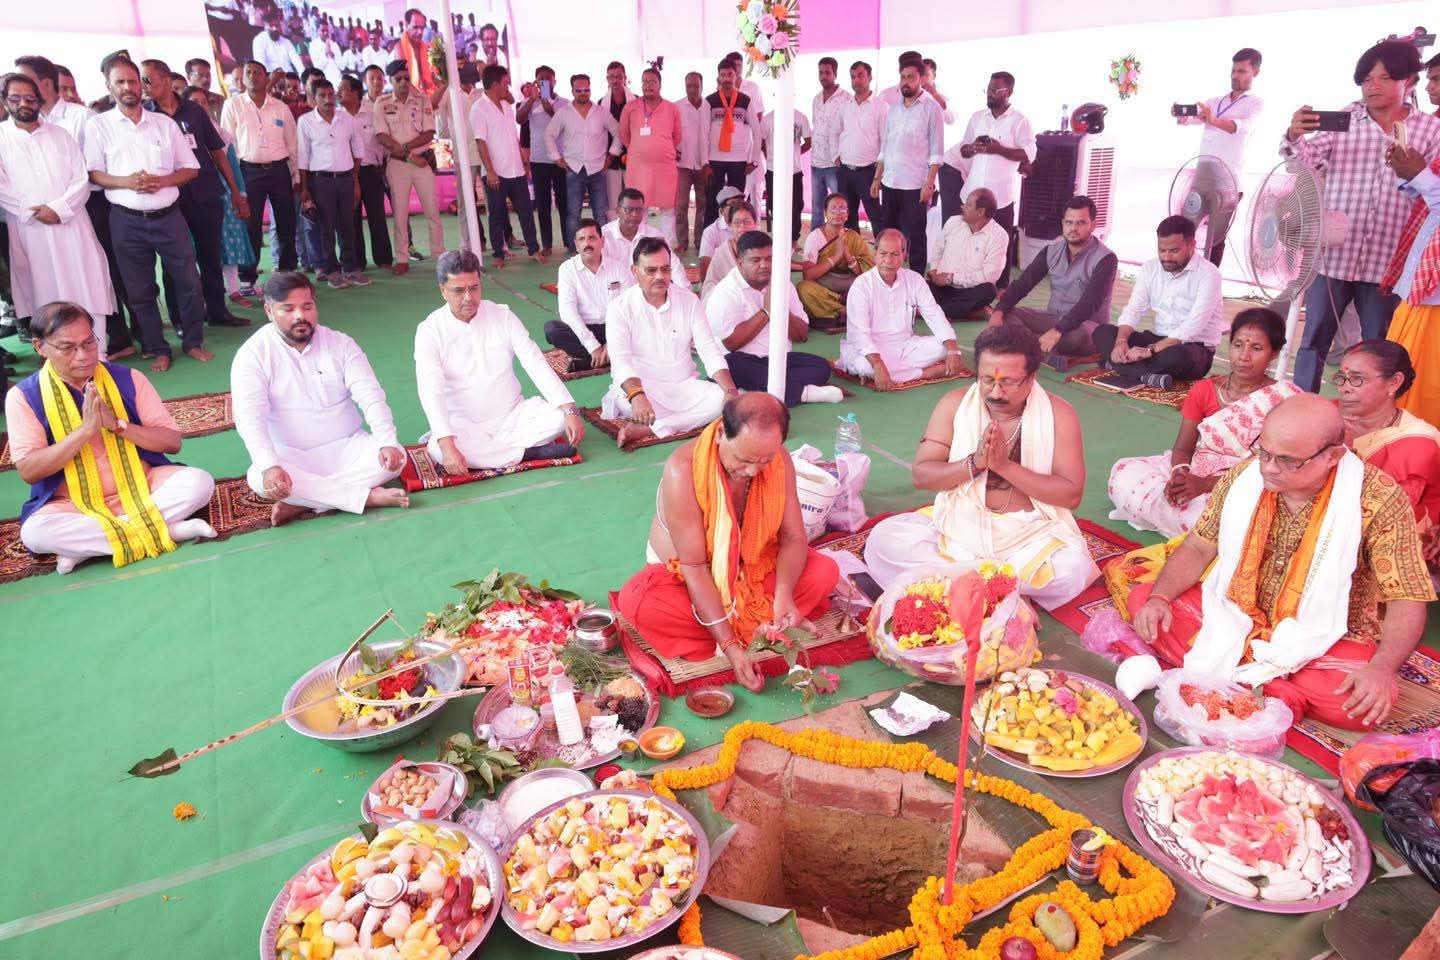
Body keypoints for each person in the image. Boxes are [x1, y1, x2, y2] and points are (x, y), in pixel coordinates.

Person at [1129, 394, 1434, 729]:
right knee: (1145, 601)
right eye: (1265, 452)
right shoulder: (1245, 476)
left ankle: (1243, 678)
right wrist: (1160, 598)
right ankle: (1268, 687)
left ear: (1332, 456)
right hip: (1235, 614)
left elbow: (1407, 595)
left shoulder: (1378, 499)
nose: (1268, 467)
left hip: (1324, 638)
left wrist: (1382, 668)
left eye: (1289, 460)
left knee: (1357, 703)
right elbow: (1199, 547)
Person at [615, 392, 841, 690]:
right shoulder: (683, 468)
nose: (752, 472)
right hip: (687, 571)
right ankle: (749, 625)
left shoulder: (779, 460)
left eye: (764, 461)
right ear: (721, 433)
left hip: (752, 564)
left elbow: (793, 536)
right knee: (640, 600)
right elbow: (694, 566)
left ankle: (761, 615)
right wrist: (731, 646)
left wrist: (784, 596)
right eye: (744, 460)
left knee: (824, 571)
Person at [865, 323, 1099, 608]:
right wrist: (973, 465)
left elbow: (1070, 495)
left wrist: (1004, 466)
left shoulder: (1059, 414)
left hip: (1028, 536)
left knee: (1071, 569)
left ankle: (966, 586)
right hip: (959, 528)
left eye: (1008, 382)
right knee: (884, 539)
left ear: (1031, 377)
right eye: (987, 379)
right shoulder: (954, 404)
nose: (996, 392)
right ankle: (1000, 590)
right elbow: (922, 475)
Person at [7, 302, 216, 573]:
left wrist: (118, 426)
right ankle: (169, 530)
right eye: (68, 348)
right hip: (72, 504)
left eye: (89, 343)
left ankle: (89, 547)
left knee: (199, 483)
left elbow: (171, 442)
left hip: (142, 485)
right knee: (36, 533)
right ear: (40, 347)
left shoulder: (129, 378)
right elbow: (30, 470)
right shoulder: (23, 397)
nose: (83, 355)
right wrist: (85, 431)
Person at [1282, 40, 1440, 393]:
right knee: (1313, 340)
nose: (1374, 86)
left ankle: (1370, 412)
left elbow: (1434, 196)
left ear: (1408, 82)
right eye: (1367, 79)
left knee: (1379, 348)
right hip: (1335, 254)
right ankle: (1303, 402)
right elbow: (1302, 162)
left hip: (1388, 262)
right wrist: (1295, 134)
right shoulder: (1347, 118)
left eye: (1385, 78)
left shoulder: (1431, 131)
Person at [232, 272, 407, 526]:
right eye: (288, 309)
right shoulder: (252, 355)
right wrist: (270, 465)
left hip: (348, 446)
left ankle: (307, 502)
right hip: (291, 458)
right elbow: (249, 419)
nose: (300, 316)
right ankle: (365, 498)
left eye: (307, 306)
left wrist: (386, 441)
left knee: (395, 459)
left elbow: (371, 396)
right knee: (259, 478)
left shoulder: (341, 343)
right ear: (269, 311)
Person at [1109, 308, 1301, 538]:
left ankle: (1175, 521)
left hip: (1247, 483)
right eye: (1238, 345)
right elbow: (1183, 449)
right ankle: (1194, 529)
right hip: (1196, 472)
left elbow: (1276, 468)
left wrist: (1206, 485)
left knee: (1233, 515)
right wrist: (1180, 477)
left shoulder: (1284, 400)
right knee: (1123, 473)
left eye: (1256, 348)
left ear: (1274, 353)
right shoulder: (1205, 389)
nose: (1243, 356)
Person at [85, 55, 211, 372]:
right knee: (140, 291)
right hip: (125, 221)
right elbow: (93, 173)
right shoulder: (98, 126)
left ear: (141, 84)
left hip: (169, 217)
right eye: (120, 82)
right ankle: (158, 348)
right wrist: (126, 182)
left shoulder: (165, 124)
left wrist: (163, 181)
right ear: (109, 86)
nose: (128, 87)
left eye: (133, 80)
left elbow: (191, 168)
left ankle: (193, 342)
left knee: (189, 282)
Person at [415, 251, 584, 473]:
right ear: (443, 291)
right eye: (459, 290)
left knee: (558, 419)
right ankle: (527, 453)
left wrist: (569, 409)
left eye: (473, 288)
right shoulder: (429, 331)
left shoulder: (502, 315)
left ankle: (494, 454)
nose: (468, 297)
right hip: (465, 425)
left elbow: (535, 362)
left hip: (513, 416)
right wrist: (447, 444)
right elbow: (431, 391)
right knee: (438, 448)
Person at [0, 73, 115, 343]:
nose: (23, 104)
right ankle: (57, 356)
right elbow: (2, 186)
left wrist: (60, 209)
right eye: (15, 99)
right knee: (43, 290)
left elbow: (81, 179)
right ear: (5, 101)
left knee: (87, 284)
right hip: (30, 229)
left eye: (29, 98)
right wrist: (35, 210)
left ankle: (97, 351)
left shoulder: (61, 134)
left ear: (39, 100)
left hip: (72, 224)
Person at [141, 59, 250, 330]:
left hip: (205, 195)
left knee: (210, 256)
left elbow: (217, 152)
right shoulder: (145, 115)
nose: (142, 86)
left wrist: (236, 192)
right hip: (169, 200)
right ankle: (180, 318)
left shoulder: (194, 111)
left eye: (147, 79)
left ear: (166, 80)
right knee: (174, 262)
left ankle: (217, 311)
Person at [601, 237, 738, 450]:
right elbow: (620, 362)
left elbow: (709, 351)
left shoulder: (689, 301)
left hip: (683, 386)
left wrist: (730, 391)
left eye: (665, 270)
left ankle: (653, 427)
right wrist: (637, 397)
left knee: (721, 400)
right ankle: (663, 419)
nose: (660, 277)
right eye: (651, 270)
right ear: (634, 271)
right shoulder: (619, 307)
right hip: (641, 389)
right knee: (627, 400)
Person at [703, 229, 841, 406]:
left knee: (820, 367)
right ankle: (804, 393)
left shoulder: (783, 284)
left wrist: (780, 308)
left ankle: (756, 389)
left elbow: (801, 335)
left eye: (769, 259)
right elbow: (731, 344)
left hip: (778, 360)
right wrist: (766, 312)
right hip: (742, 361)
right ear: (739, 263)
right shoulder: (725, 292)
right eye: (755, 260)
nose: (764, 265)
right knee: (731, 365)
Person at [1337, 341, 1440, 566]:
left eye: (1357, 379)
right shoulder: (1326, 414)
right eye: (1341, 378)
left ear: (1394, 382)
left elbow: (1387, 520)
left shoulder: (1417, 442)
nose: (1345, 387)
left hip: (1387, 553)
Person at [1092, 215, 1224, 390]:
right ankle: (1147, 375)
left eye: (1174, 251)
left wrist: (1149, 351)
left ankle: (1118, 367)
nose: (1166, 257)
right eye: (1162, 250)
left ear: (1192, 245)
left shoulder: (1209, 274)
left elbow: (1193, 326)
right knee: (1102, 332)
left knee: (1176, 358)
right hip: (1157, 341)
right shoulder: (1150, 268)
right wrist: (1121, 342)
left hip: (1193, 348)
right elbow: (1134, 309)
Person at [989, 196, 1117, 362]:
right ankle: (1040, 347)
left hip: (1086, 326)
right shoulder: (1051, 250)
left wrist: (1058, 331)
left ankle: (1025, 345)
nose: (1073, 228)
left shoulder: (1106, 258)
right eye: (1069, 222)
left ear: (1093, 225)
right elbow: (1023, 284)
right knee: (1007, 316)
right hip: (1053, 317)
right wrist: (999, 310)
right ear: (1062, 223)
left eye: (1081, 223)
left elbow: (1090, 304)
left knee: (1077, 337)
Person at [940, 71, 1034, 288]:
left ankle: (999, 290)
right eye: (988, 89)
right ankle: (960, 283)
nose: (990, 93)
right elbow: (964, 150)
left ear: (1008, 92)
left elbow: (1028, 154)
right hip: (971, 194)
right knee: (962, 239)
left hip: (1000, 197)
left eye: (995, 90)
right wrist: (974, 148)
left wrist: (998, 149)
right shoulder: (977, 117)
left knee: (1001, 246)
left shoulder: (1019, 121)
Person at [838, 229, 965, 388]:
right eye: (883, 254)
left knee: (944, 347)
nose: (888, 260)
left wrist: (954, 351)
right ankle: (923, 373)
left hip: (905, 346)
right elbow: (859, 334)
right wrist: (877, 364)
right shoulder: (861, 285)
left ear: (904, 254)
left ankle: (897, 372)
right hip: (869, 348)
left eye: (895, 254)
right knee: (864, 366)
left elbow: (934, 314)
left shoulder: (914, 279)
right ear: (875, 253)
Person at [1176, 48, 1264, 267]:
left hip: (1229, 182)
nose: (1236, 75)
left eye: (1242, 71)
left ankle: (1210, 283)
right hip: (1202, 177)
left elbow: (1241, 128)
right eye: (1234, 71)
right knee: (1184, 228)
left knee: (1216, 240)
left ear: (1255, 72)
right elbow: (1193, 119)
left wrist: (1212, 119)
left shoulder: (1255, 104)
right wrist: (1182, 115)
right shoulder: (1215, 101)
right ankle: (1178, 275)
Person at [222, 59, 299, 296]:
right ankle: (248, 278)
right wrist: (232, 181)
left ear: (267, 78)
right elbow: (227, 145)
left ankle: (286, 272)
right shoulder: (233, 105)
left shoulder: (280, 108)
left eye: (258, 72)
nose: (253, 76)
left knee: (286, 222)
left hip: (278, 170)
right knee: (250, 225)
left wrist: (296, 176)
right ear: (243, 78)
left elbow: (293, 144)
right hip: (248, 171)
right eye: (248, 73)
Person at [1383, 126, 1440, 427]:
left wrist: (1420, 174)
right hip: (1420, 292)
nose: (1431, 86)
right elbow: (1424, 196)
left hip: (1434, 303)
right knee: (1400, 389)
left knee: (1424, 399)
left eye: (1436, 78)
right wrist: (1407, 169)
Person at [296, 78, 370, 290]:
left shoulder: (347, 119)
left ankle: (351, 268)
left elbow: (358, 150)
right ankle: (332, 271)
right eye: (322, 96)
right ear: (313, 98)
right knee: (325, 228)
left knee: (348, 226)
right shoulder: (306, 121)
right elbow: (303, 156)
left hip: (346, 179)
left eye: (331, 94)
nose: (328, 99)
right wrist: (304, 187)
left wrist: (355, 180)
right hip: (321, 181)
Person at [873, 57, 942, 273]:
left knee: (916, 236)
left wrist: (929, 184)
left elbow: (936, 152)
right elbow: (885, 147)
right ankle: (888, 274)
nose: (905, 82)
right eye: (902, 77)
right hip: (890, 182)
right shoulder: (893, 109)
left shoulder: (931, 109)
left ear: (921, 79)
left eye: (910, 77)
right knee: (889, 234)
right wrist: (877, 178)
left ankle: (917, 280)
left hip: (915, 185)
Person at [471, 64, 543, 268]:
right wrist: (491, 171)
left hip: (516, 169)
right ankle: (498, 255)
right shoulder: (479, 108)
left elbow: (513, 136)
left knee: (526, 212)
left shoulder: (506, 106)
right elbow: (480, 142)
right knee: (497, 213)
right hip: (496, 172)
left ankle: (533, 249)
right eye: (505, 83)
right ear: (495, 84)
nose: (508, 86)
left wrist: (522, 157)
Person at [375, 59, 442, 275]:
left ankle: (439, 255)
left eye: (406, 78)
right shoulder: (382, 103)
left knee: (432, 211)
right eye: (399, 79)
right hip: (399, 165)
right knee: (401, 214)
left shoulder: (422, 100)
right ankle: (402, 258)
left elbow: (429, 132)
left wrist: (405, 148)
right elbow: (383, 137)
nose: (404, 82)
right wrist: (411, 157)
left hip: (422, 162)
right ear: (390, 81)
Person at [545, 73, 620, 252]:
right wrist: (557, 158)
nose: (583, 93)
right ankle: (574, 251)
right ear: (572, 90)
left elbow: (618, 133)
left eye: (586, 90)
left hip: (597, 169)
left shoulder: (601, 112)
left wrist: (611, 156)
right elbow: (548, 134)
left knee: (600, 214)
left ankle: (602, 250)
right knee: (573, 214)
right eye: (579, 90)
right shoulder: (564, 113)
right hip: (573, 170)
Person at [546, 218, 632, 371]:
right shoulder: (567, 270)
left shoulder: (619, 268)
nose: (587, 244)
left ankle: (588, 362)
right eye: (581, 239)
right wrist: (593, 347)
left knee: (641, 328)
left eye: (592, 238)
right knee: (552, 330)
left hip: (615, 328)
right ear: (576, 244)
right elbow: (568, 313)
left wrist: (611, 342)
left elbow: (630, 310)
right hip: (586, 330)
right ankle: (610, 358)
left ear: (602, 241)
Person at [927, 187, 1007, 319]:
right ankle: (971, 313)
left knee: (989, 290)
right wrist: (934, 270)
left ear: (980, 212)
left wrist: (952, 278)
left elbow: (989, 276)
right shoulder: (953, 222)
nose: (962, 207)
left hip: (970, 292)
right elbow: (938, 249)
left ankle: (934, 312)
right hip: (941, 287)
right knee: (918, 285)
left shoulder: (999, 236)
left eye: (968, 205)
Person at [797, 193, 874, 326]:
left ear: (847, 214)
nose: (838, 213)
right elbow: (808, 275)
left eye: (842, 209)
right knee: (804, 289)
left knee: (872, 286)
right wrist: (835, 257)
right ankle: (845, 311)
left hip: (849, 286)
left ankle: (837, 313)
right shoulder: (815, 237)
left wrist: (848, 256)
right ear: (825, 213)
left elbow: (867, 272)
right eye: (833, 209)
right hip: (824, 287)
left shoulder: (853, 237)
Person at [342, 71, 393, 272]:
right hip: (347, 174)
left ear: (355, 92)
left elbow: (384, 139)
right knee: (351, 219)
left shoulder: (373, 113)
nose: (339, 93)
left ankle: (384, 259)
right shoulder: (337, 117)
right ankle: (357, 263)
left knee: (377, 217)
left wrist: (384, 164)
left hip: (372, 171)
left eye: (343, 89)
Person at [700, 60, 761, 227]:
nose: (726, 78)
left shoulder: (745, 100)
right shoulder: (709, 101)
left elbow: (757, 132)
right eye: (723, 75)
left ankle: (738, 239)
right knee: (712, 204)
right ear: (718, 77)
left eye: (730, 75)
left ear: (736, 76)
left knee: (737, 204)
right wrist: (705, 163)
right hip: (714, 160)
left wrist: (754, 160)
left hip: (739, 161)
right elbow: (703, 134)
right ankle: (709, 244)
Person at [517, 65, 568, 257]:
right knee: (543, 204)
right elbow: (519, 119)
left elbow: (568, 127)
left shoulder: (563, 103)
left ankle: (568, 241)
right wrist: (532, 99)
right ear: (535, 81)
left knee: (564, 203)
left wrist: (551, 111)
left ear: (555, 81)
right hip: (538, 160)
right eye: (541, 79)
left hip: (560, 160)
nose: (544, 82)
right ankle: (546, 244)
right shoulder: (529, 103)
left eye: (548, 78)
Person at [835, 60, 887, 234]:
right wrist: (837, 155)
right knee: (847, 217)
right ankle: (853, 255)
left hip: (868, 172)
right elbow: (837, 132)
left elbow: (885, 143)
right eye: (852, 77)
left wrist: (878, 177)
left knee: (875, 216)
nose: (856, 80)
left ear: (870, 77)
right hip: (845, 170)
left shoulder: (881, 106)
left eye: (860, 75)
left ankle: (882, 254)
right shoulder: (845, 106)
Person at [809, 57, 852, 233]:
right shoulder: (816, 99)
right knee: (817, 208)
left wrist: (840, 156)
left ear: (835, 74)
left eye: (827, 72)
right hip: (816, 163)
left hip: (835, 163)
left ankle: (841, 242)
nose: (823, 76)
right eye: (821, 72)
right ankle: (814, 243)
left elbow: (848, 130)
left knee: (839, 208)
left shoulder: (846, 99)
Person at [605, 187, 685, 278]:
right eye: (629, 209)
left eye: (639, 210)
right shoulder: (604, 236)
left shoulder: (654, 235)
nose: (635, 214)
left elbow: (673, 264)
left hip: (646, 289)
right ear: (618, 210)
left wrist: (685, 290)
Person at [760, 107, 811, 244]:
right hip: (773, 170)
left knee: (796, 204)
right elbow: (761, 142)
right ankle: (776, 237)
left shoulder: (800, 117)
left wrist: (794, 155)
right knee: (773, 204)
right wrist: (770, 156)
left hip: (794, 170)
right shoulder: (768, 119)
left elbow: (808, 141)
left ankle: (793, 238)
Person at [675, 71, 709, 255]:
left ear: (702, 86)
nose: (692, 89)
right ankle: (682, 241)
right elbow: (669, 132)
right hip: (682, 165)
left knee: (703, 204)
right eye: (689, 86)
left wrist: (708, 163)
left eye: (696, 85)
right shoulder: (677, 107)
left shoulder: (709, 106)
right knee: (681, 205)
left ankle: (700, 240)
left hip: (703, 164)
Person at [699, 200, 759, 299]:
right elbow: (709, 288)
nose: (742, 227)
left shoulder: (764, 248)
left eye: (747, 222)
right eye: (737, 223)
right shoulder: (722, 253)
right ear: (730, 226)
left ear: (755, 223)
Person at [601, 61, 635, 221]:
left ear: (625, 78)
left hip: (633, 157)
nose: (615, 80)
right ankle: (614, 236)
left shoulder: (636, 101)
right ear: (607, 79)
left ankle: (635, 234)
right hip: (611, 159)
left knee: (633, 199)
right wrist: (608, 157)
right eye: (611, 77)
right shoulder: (601, 103)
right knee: (613, 201)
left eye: (618, 76)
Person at [698, 185, 743, 279]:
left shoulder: (748, 226)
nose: (737, 208)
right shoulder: (711, 232)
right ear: (722, 211)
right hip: (721, 280)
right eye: (733, 204)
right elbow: (705, 263)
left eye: (740, 203)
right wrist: (708, 290)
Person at [396, 7, 439, 96]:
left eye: (422, 28)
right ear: (406, 25)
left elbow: (433, 77)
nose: (420, 32)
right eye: (415, 27)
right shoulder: (399, 48)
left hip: (428, 96)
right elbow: (402, 83)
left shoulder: (425, 47)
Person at [252, 9, 304, 75]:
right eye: (271, 26)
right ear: (265, 27)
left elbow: (298, 62)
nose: (275, 29)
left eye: (277, 25)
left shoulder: (286, 42)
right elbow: (260, 66)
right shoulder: (259, 41)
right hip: (271, 80)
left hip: (289, 79)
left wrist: (303, 79)